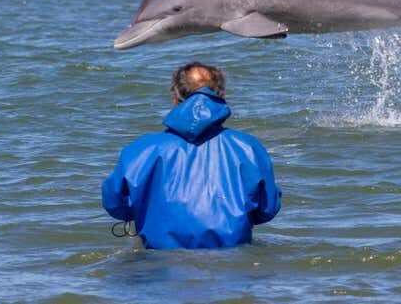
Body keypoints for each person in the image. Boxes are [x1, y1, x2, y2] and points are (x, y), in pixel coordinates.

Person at [101, 62, 281, 249]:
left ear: (174, 98)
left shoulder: (141, 149)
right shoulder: (248, 147)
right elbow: (268, 208)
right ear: (222, 97)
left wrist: (146, 211)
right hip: (231, 258)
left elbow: (114, 202)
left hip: (160, 259)